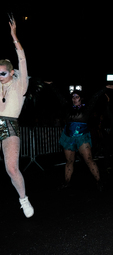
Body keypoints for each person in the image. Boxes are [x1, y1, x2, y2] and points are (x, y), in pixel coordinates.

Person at [45, 82, 113, 191]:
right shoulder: (67, 107)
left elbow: (95, 97)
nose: (74, 99)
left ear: (81, 98)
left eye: (76, 97)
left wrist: (104, 88)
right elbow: (59, 96)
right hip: (68, 137)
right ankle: (66, 182)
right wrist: (52, 85)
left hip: (82, 137)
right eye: (73, 97)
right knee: (69, 161)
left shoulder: (86, 108)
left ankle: (99, 181)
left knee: (89, 159)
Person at [0, 15, 34, 217]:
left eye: (3, 74)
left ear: (12, 73)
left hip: (9, 126)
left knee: (12, 168)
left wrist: (14, 36)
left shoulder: (20, 85)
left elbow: (22, 59)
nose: (0, 77)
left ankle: (23, 199)